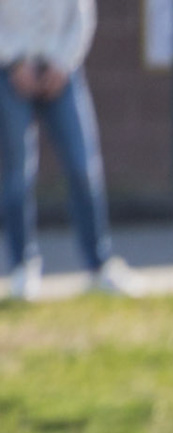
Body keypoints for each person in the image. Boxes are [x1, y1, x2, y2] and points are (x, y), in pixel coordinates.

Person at [0, 0, 140, 300]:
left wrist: (62, 63)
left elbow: (82, 17)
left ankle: (99, 265)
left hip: (62, 71)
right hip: (10, 73)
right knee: (17, 174)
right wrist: (14, 61)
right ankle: (23, 267)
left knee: (82, 167)